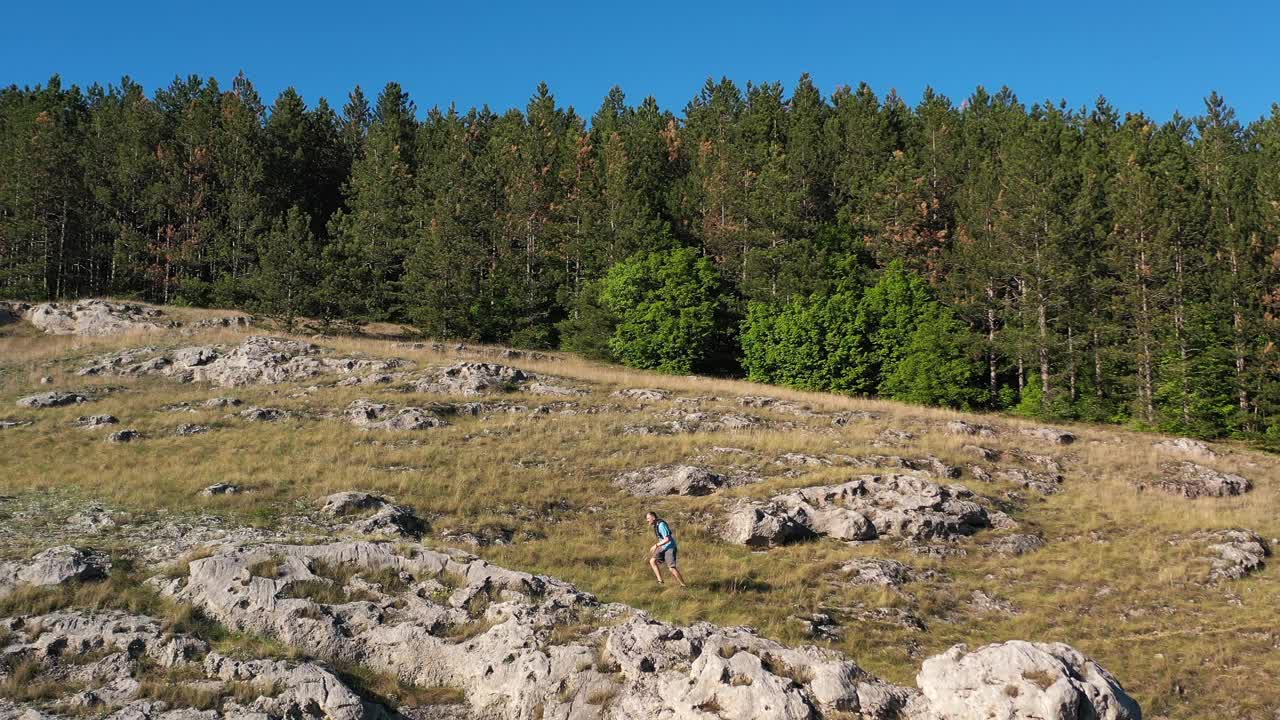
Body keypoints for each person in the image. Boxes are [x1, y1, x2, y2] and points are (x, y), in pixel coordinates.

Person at [646, 511, 687, 587]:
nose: (647, 520)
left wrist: (656, 545)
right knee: (652, 561)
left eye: (648, 518)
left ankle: (683, 585)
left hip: (670, 547)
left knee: (671, 568)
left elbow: (667, 539)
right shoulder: (656, 525)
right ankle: (660, 581)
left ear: (653, 518)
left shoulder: (661, 525)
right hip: (663, 547)